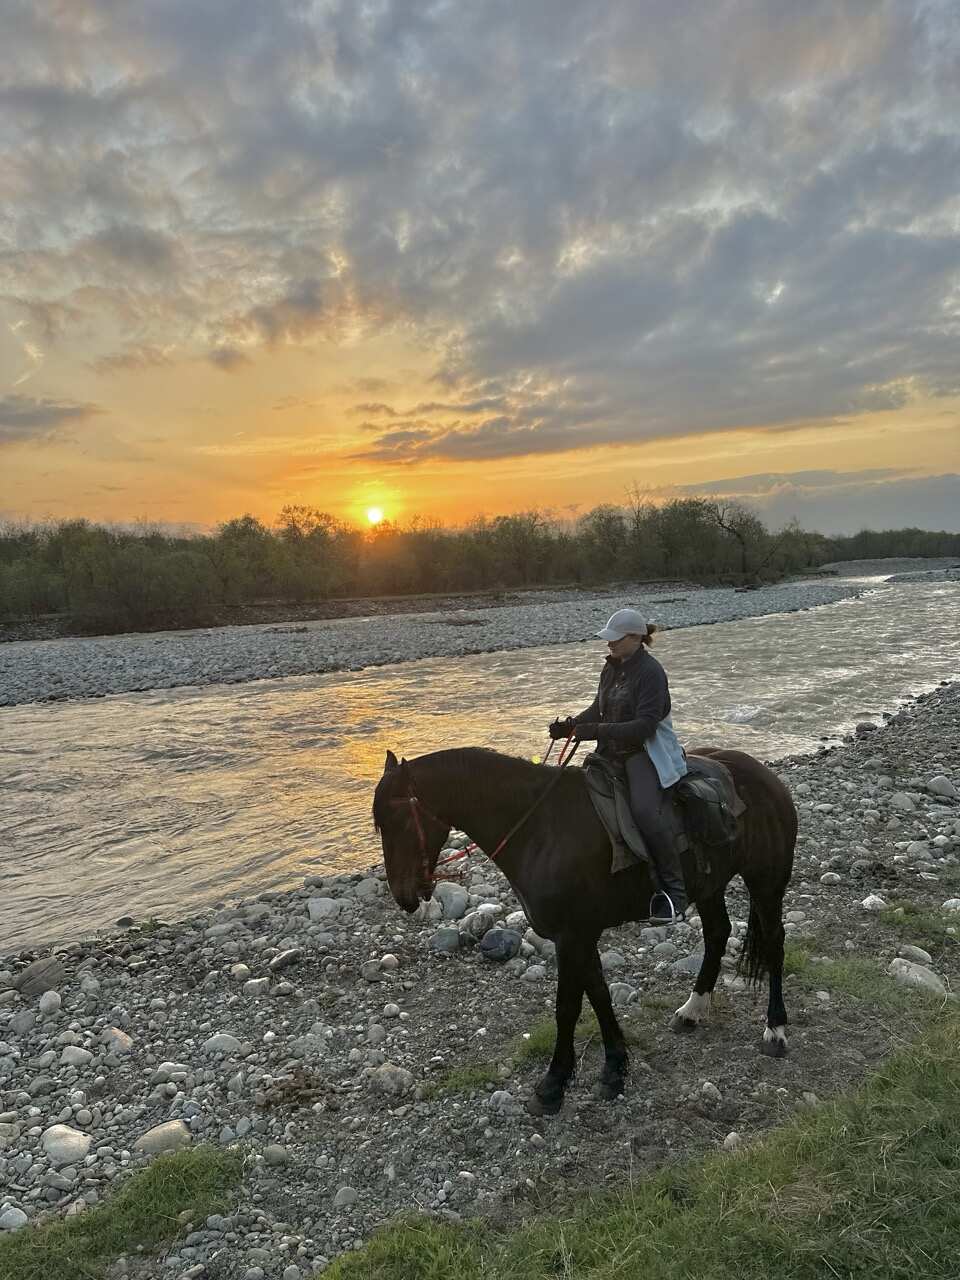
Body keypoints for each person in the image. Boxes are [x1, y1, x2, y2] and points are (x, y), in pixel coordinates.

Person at [549, 607, 689, 923]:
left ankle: (674, 894)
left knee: (644, 813)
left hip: (643, 754)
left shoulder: (651, 673)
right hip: (609, 753)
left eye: (615, 639)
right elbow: (598, 710)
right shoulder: (612, 668)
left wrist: (595, 731)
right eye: (609, 639)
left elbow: (644, 727)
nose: (609, 644)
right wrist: (570, 726)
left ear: (636, 638)